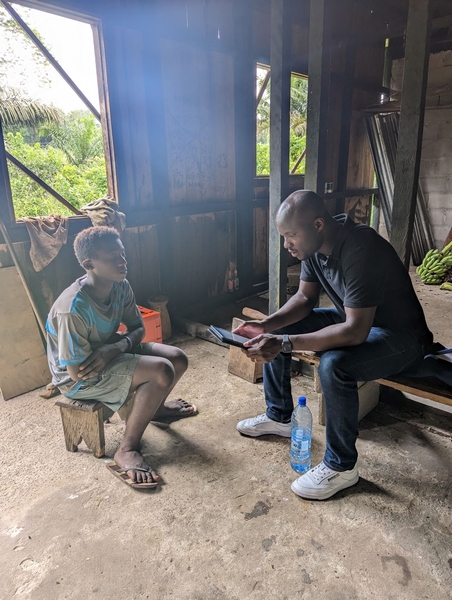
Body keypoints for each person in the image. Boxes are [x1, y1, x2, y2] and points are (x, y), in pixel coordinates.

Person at [235, 190, 433, 500]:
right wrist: (267, 325)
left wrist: (285, 343)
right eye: (284, 237)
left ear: (317, 224)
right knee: (281, 328)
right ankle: (279, 416)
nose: (286, 244)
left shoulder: (361, 248)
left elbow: (354, 332)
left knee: (335, 365)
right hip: (357, 319)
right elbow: (304, 298)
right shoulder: (314, 247)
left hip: (401, 338)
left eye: (291, 235)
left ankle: (342, 466)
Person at [46, 226, 196, 489]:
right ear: (89, 264)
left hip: (109, 350)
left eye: (122, 254)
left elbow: (138, 329)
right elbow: (76, 372)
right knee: (161, 370)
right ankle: (127, 449)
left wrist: (114, 349)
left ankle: (157, 409)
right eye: (112, 257)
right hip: (78, 377)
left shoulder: (120, 285)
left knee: (178, 358)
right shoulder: (73, 309)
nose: (122, 261)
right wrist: (112, 350)